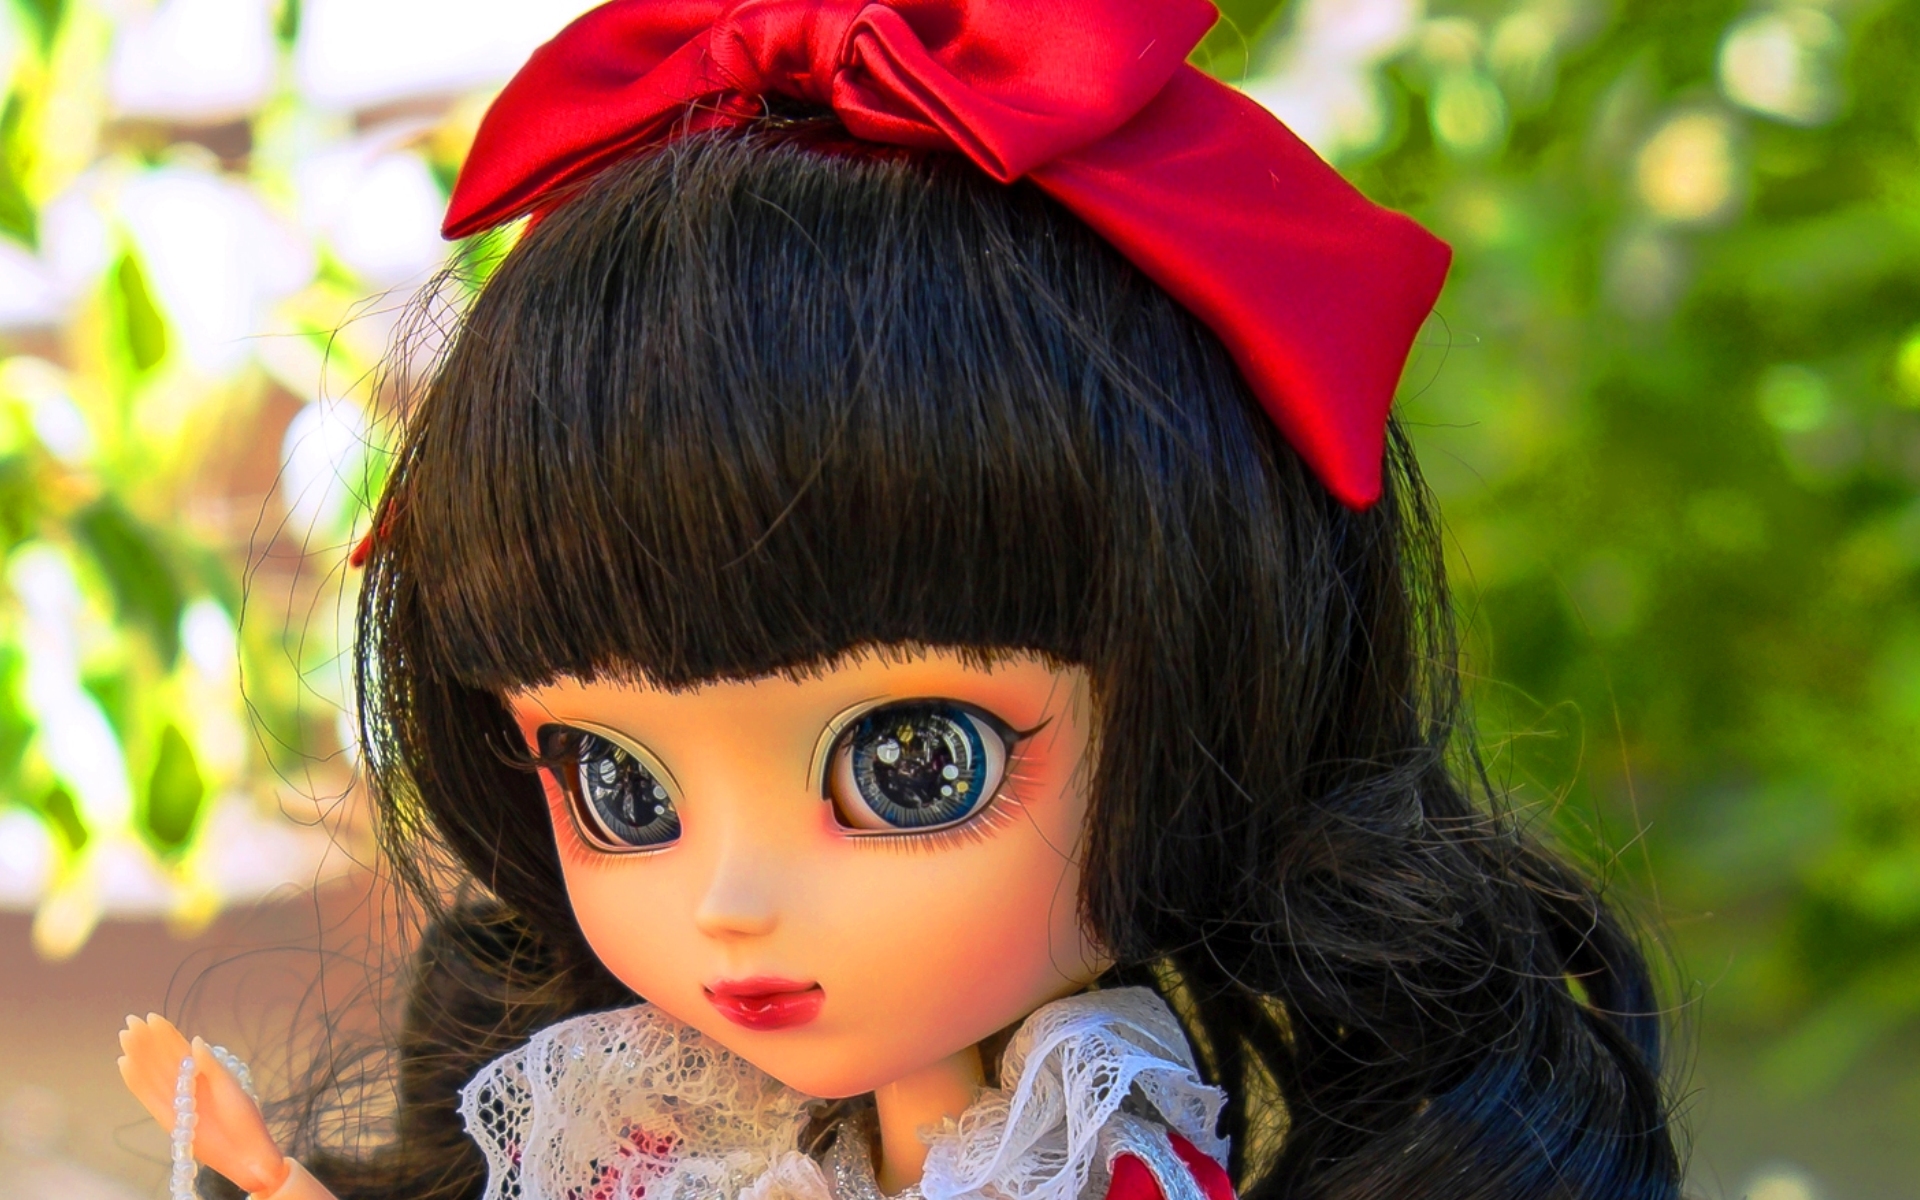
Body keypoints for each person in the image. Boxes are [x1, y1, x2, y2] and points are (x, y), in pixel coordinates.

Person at [117, 2, 1682, 1198]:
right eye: (618, 784)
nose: (730, 902)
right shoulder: (676, 1128)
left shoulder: (1081, 1155)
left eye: (912, 765)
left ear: (1214, 697)